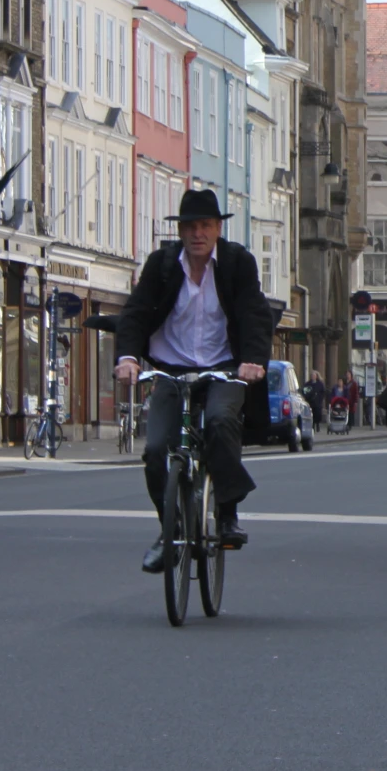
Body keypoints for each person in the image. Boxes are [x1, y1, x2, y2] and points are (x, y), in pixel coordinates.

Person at [115, 188, 276, 572]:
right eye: (190, 226)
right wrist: (127, 358)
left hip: (223, 367)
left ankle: (226, 516)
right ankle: (169, 532)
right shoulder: (163, 264)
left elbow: (255, 313)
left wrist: (253, 361)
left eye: (206, 225)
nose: (198, 233)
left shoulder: (238, 263)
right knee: (156, 451)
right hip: (171, 369)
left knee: (221, 421)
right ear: (181, 231)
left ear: (218, 228)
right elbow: (136, 312)